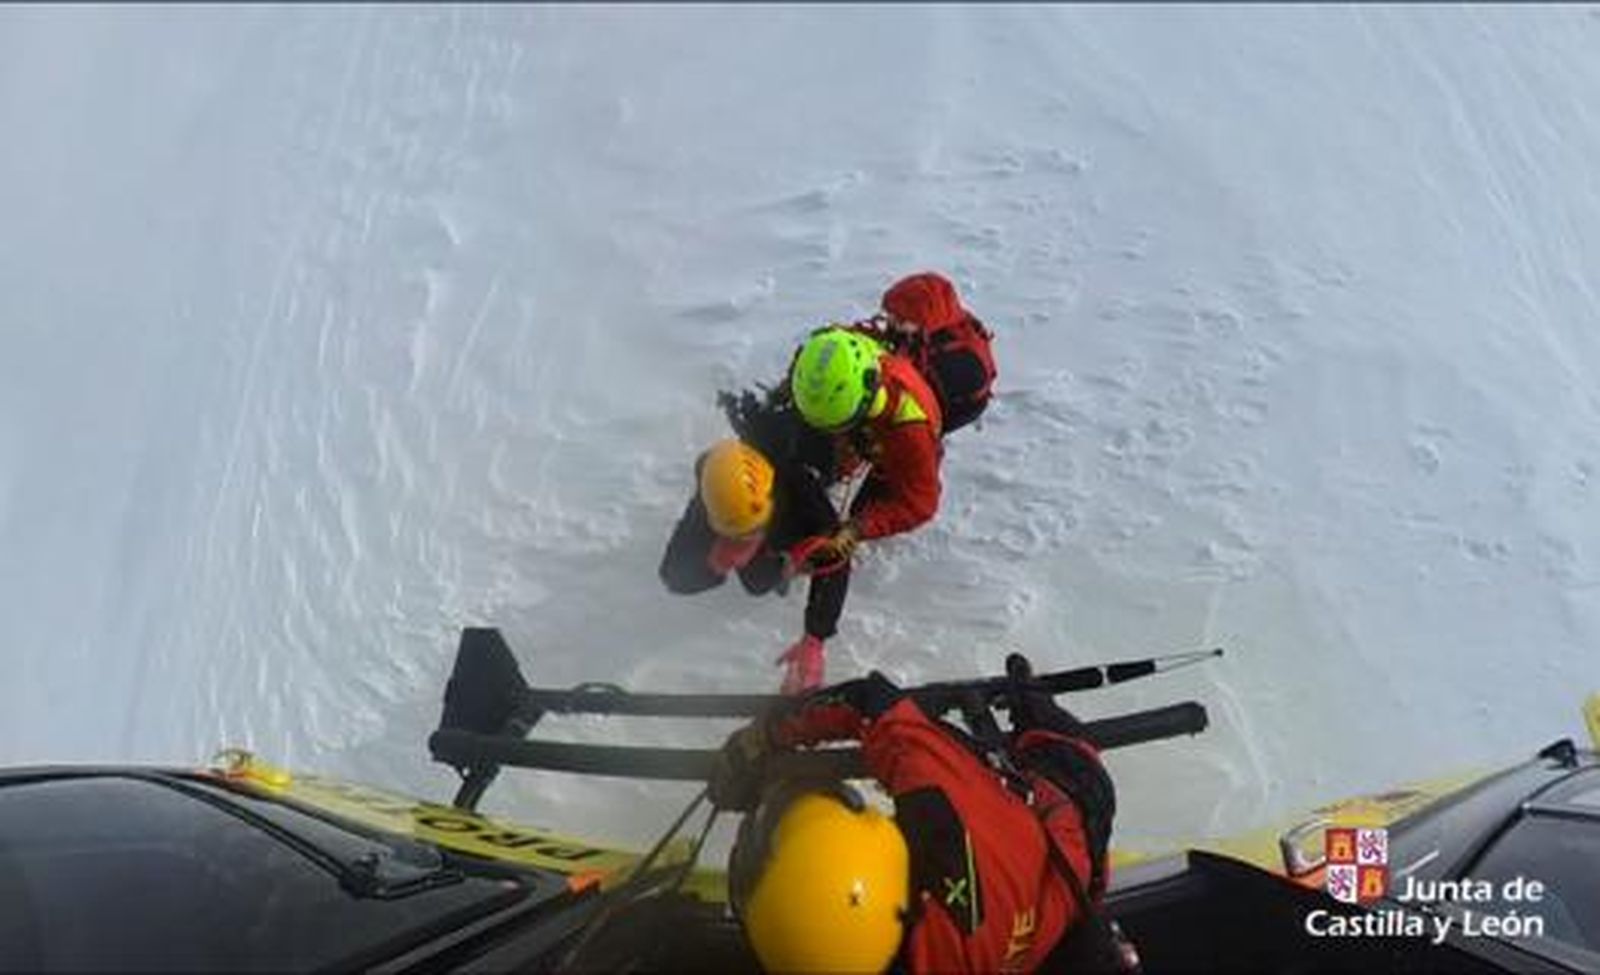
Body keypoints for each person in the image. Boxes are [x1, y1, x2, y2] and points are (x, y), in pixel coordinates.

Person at [709, 657, 1128, 973]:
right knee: (1069, 767)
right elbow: (873, 705)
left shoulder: (945, 826)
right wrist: (766, 735)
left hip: (1061, 880)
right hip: (1062, 860)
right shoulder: (944, 823)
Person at [657, 398, 854, 693]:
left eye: (750, 534)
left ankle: (789, 561)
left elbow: (837, 558)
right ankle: (780, 563)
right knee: (759, 581)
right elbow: (672, 574)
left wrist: (814, 640)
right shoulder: (716, 492)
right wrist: (714, 564)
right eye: (734, 536)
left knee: (760, 579)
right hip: (761, 508)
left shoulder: (801, 491)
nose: (740, 546)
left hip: (799, 481)